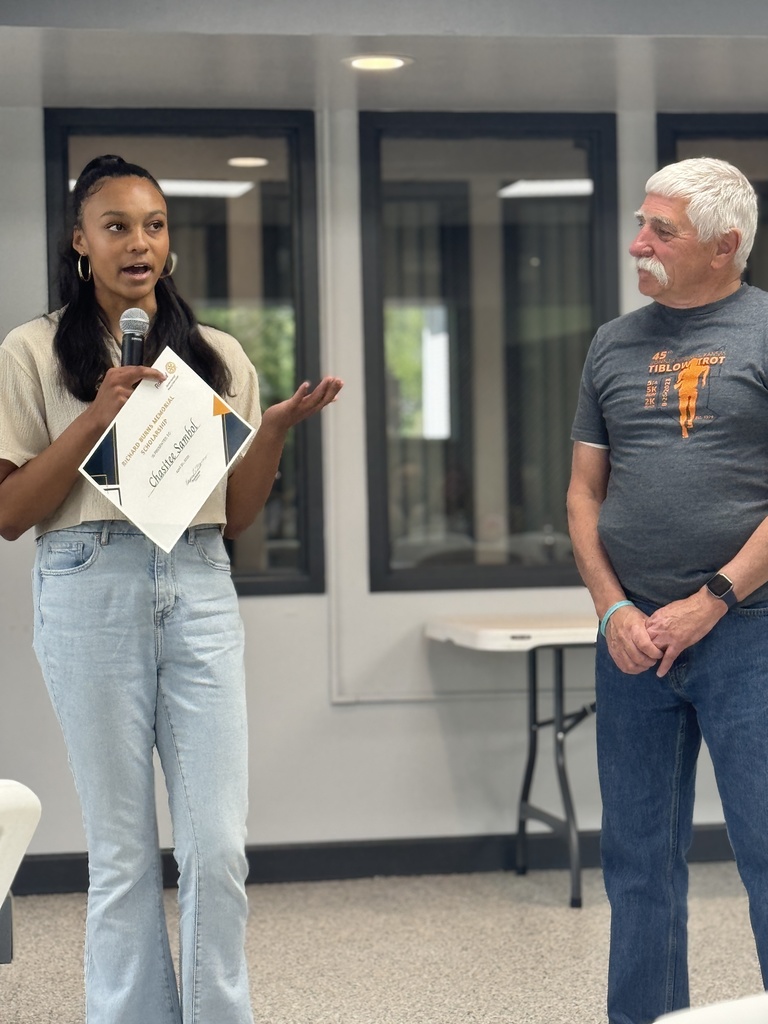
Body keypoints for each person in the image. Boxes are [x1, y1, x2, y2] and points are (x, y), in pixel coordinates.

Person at [0, 154, 343, 1024]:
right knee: (120, 854)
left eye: (153, 225)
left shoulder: (219, 356)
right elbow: (10, 514)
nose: (138, 242)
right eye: (115, 226)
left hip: (197, 584)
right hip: (89, 583)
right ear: (80, 243)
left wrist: (268, 433)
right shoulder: (32, 351)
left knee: (218, 847)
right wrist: (97, 415)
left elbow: (236, 517)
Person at [567, 156, 768, 1024]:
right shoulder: (613, 341)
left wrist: (713, 598)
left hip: (749, 634)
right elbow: (583, 493)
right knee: (639, 864)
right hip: (632, 644)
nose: (636, 243)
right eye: (641, 223)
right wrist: (612, 607)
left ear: (725, 246)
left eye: (661, 231)